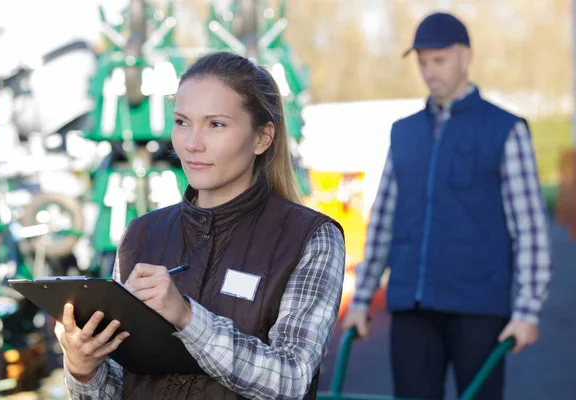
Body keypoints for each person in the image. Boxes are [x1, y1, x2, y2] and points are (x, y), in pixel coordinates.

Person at [54, 51, 346, 400]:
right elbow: (117, 388)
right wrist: (83, 369)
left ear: (262, 138)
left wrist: (188, 318)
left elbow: (291, 381)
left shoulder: (311, 238)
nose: (192, 143)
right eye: (182, 122)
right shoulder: (141, 235)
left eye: (216, 124)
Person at [344, 12, 552, 400]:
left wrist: (527, 311)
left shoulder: (505, 129)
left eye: (438, 60)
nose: (429, 71)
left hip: (479, 309)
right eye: (423, 62)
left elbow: (530, 229)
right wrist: (360, 299)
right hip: (411, 309)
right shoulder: (403, 132)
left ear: (465, 56)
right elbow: (384, 221)